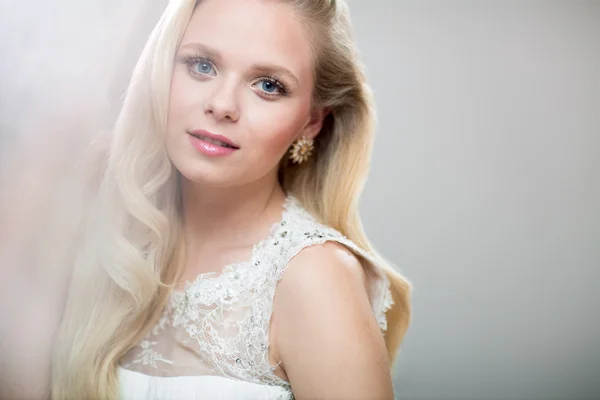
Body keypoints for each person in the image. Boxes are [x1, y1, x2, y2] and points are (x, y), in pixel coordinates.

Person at [51, 0, 412, 399]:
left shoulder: (313, 277)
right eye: (202, 65)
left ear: (312, 121)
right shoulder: (102, 234)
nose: (222, 105)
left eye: (269, 85)